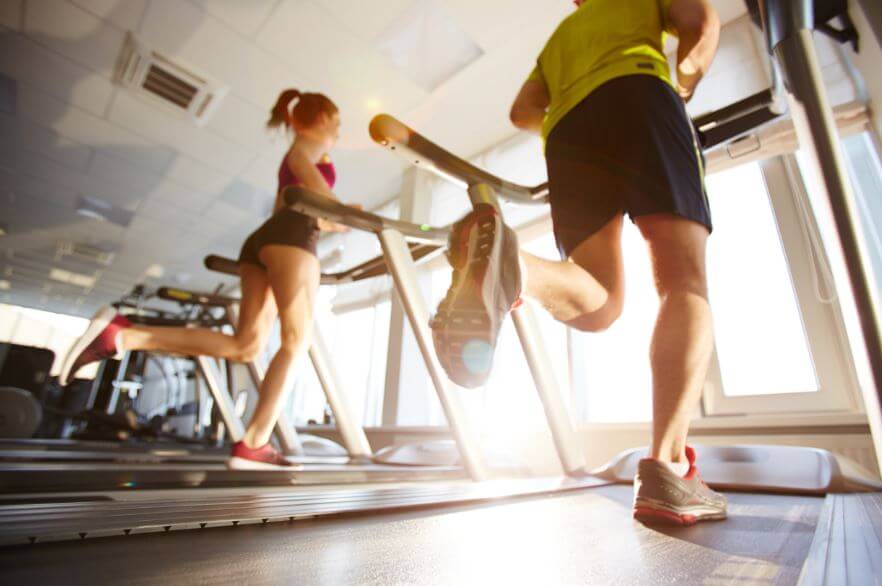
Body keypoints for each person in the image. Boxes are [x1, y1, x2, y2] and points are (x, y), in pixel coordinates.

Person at [431, 0, 724, 524]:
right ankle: (669, 468)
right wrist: (682, 83)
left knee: (599, 300)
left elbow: (523, 112)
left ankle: (516, 267)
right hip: (640, 93)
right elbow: (701, 25)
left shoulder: (560, 38)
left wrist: (571, 114)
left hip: (567, 132)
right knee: (684, 282)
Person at [60, 89, 351, 470]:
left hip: (267, 239)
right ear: (322, 120)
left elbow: (291, 201)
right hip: (293, 239)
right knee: (296, 342)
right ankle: (255, 444)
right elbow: (317, 196)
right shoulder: (307, 147)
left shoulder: (301, 151)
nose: (339, 131)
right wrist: (341, 214)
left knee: (246, 346)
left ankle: (123, 335)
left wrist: (331, 216)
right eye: (337, 122)